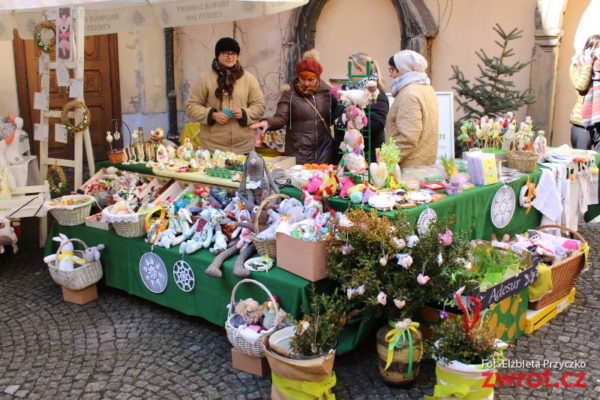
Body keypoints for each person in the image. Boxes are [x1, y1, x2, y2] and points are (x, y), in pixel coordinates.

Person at [250, 50, 337, 165]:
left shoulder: (327, 93)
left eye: (310, 80)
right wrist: (268, 122)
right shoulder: (290, 94)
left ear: (317, 79)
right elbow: (281, 118)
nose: (306, 83)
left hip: (324, 152)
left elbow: (336, 115)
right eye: (302, 78)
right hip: (299, 152)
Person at [185, 37, 265, 154]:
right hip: (212, 149)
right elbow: (191, 106)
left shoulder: (249, 79)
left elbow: (259, 106)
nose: (229, 57)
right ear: (218, 55)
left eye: (233, 53)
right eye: (225, 53)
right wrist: (212, 115)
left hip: (243, 148)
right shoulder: (205, 78)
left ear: (237, 56)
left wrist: (244, 113)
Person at [332, 52, 389, 164]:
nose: (347, 73)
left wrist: (356, 118)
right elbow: (336, 115)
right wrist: (344, 113)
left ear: (361, 70)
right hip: (344, 156)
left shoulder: (375, 94)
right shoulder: (346, 92)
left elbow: (377, 125)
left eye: (350, 69)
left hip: (366, 158)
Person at [385, 49, 438, 168]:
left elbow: (407, 138)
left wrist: (386, 161)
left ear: (402, 69)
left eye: (392, 70)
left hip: (408, 167)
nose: (391, 74)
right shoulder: (426, 88)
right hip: (424, 162)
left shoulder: (409, 93)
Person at [570, 34, 600, 151]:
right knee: (580, 160)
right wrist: (588, 65)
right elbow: (580, 86)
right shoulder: (578, 64)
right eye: (595, 48)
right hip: (581, 121)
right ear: (588, 49)